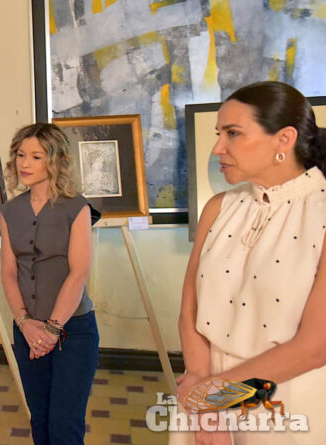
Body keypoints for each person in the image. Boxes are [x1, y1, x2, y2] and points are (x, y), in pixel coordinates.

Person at [176, 81, 326, 444]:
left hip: (284, 401)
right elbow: (189, 308)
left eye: (233, 133)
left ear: (284, 139)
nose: (217, 148)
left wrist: (213, 398)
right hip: (203, 390)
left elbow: (315, 345)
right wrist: (201, 391)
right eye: (219, 134)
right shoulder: (219, 207)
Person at [0, 122, 101, 444]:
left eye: (36, 156)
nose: (25, 163)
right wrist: (25, 322)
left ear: (55, 160)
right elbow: (8, 272)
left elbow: (78, 273)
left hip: (73, 332)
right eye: (20, 155)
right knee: (40, 420)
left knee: (64, 424)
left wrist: (52, 329)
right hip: (27, 330)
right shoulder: (9, 210)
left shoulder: (76, 207)